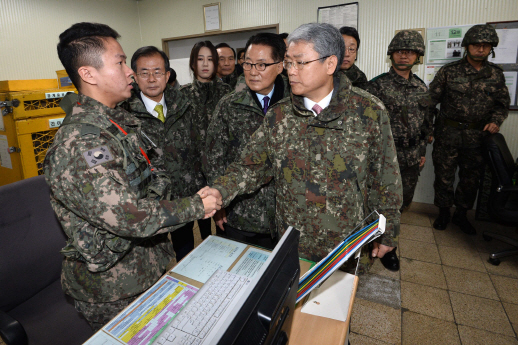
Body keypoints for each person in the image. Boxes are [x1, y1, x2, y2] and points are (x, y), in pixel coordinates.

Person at [44, 23, 221, 330]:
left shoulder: (117, 124)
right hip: (113, 290)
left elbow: (156, 179)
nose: (130, 73)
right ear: (89, 74)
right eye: (121, 62)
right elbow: (130, 216)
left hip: (146, 269)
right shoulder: (82, 144)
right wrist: (196, 206)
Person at [209, 23, 402, 266]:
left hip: (344, 244)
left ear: (330, 64)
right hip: (292, 241)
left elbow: (385, 179)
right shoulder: (279, 115)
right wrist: (219, 191)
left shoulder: (369, 112)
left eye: (300, 62)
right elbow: (250, 166)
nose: (291, 71)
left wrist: (388, 230)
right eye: (288, 62)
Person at [204, 33, 289, 250]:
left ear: (280, 66)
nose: (252, 72)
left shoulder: (295, 104)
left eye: (261, 65)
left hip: (288, 215)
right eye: (248, 63)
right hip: (243, 213)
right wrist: (220, 204)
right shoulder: (229, 105)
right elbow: (214, 158)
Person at [429, 24, 510, 234]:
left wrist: (496, 120)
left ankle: (461, 215)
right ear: (467, 46)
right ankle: (444, 213)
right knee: (444, 177)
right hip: (448, 134)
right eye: (476, 45)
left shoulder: (496, 74)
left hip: (477, 137)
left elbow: (502, 104)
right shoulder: (449, 71)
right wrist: (427, 128)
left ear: (491, 48)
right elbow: (431, 100)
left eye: (485, 45)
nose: (480, 49)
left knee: (470, 179)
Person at [124, 46, 201, 262]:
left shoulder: (185, 105)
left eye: (157, 72)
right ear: (134, 76)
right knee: (152, 263)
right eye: (144, 72)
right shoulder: (123, 113)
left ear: (167, 76)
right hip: (147, 206)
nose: (151, 79)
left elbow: (200, 149)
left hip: (183, 200)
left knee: (187, 258)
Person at [368, 30, 433, 271]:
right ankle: (384, 248)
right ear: (391, 54)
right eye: (400, 51)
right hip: (384, 158)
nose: (404, 56)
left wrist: (422, 150)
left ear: (418, 56)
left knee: (401, 203)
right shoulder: (376, 87)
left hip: (411, 156)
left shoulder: (420, 87)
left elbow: (425, 123)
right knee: (380, 204)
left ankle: (389, 242)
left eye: (410, 52)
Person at [181, 41, 232, 239]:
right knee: (198, 230)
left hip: (222, 171)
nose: (205, 64)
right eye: (200, 59)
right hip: (191, 174)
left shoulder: (227, 94)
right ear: (193, 63)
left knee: (224, 229)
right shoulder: (181, 96)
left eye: (210, 59)